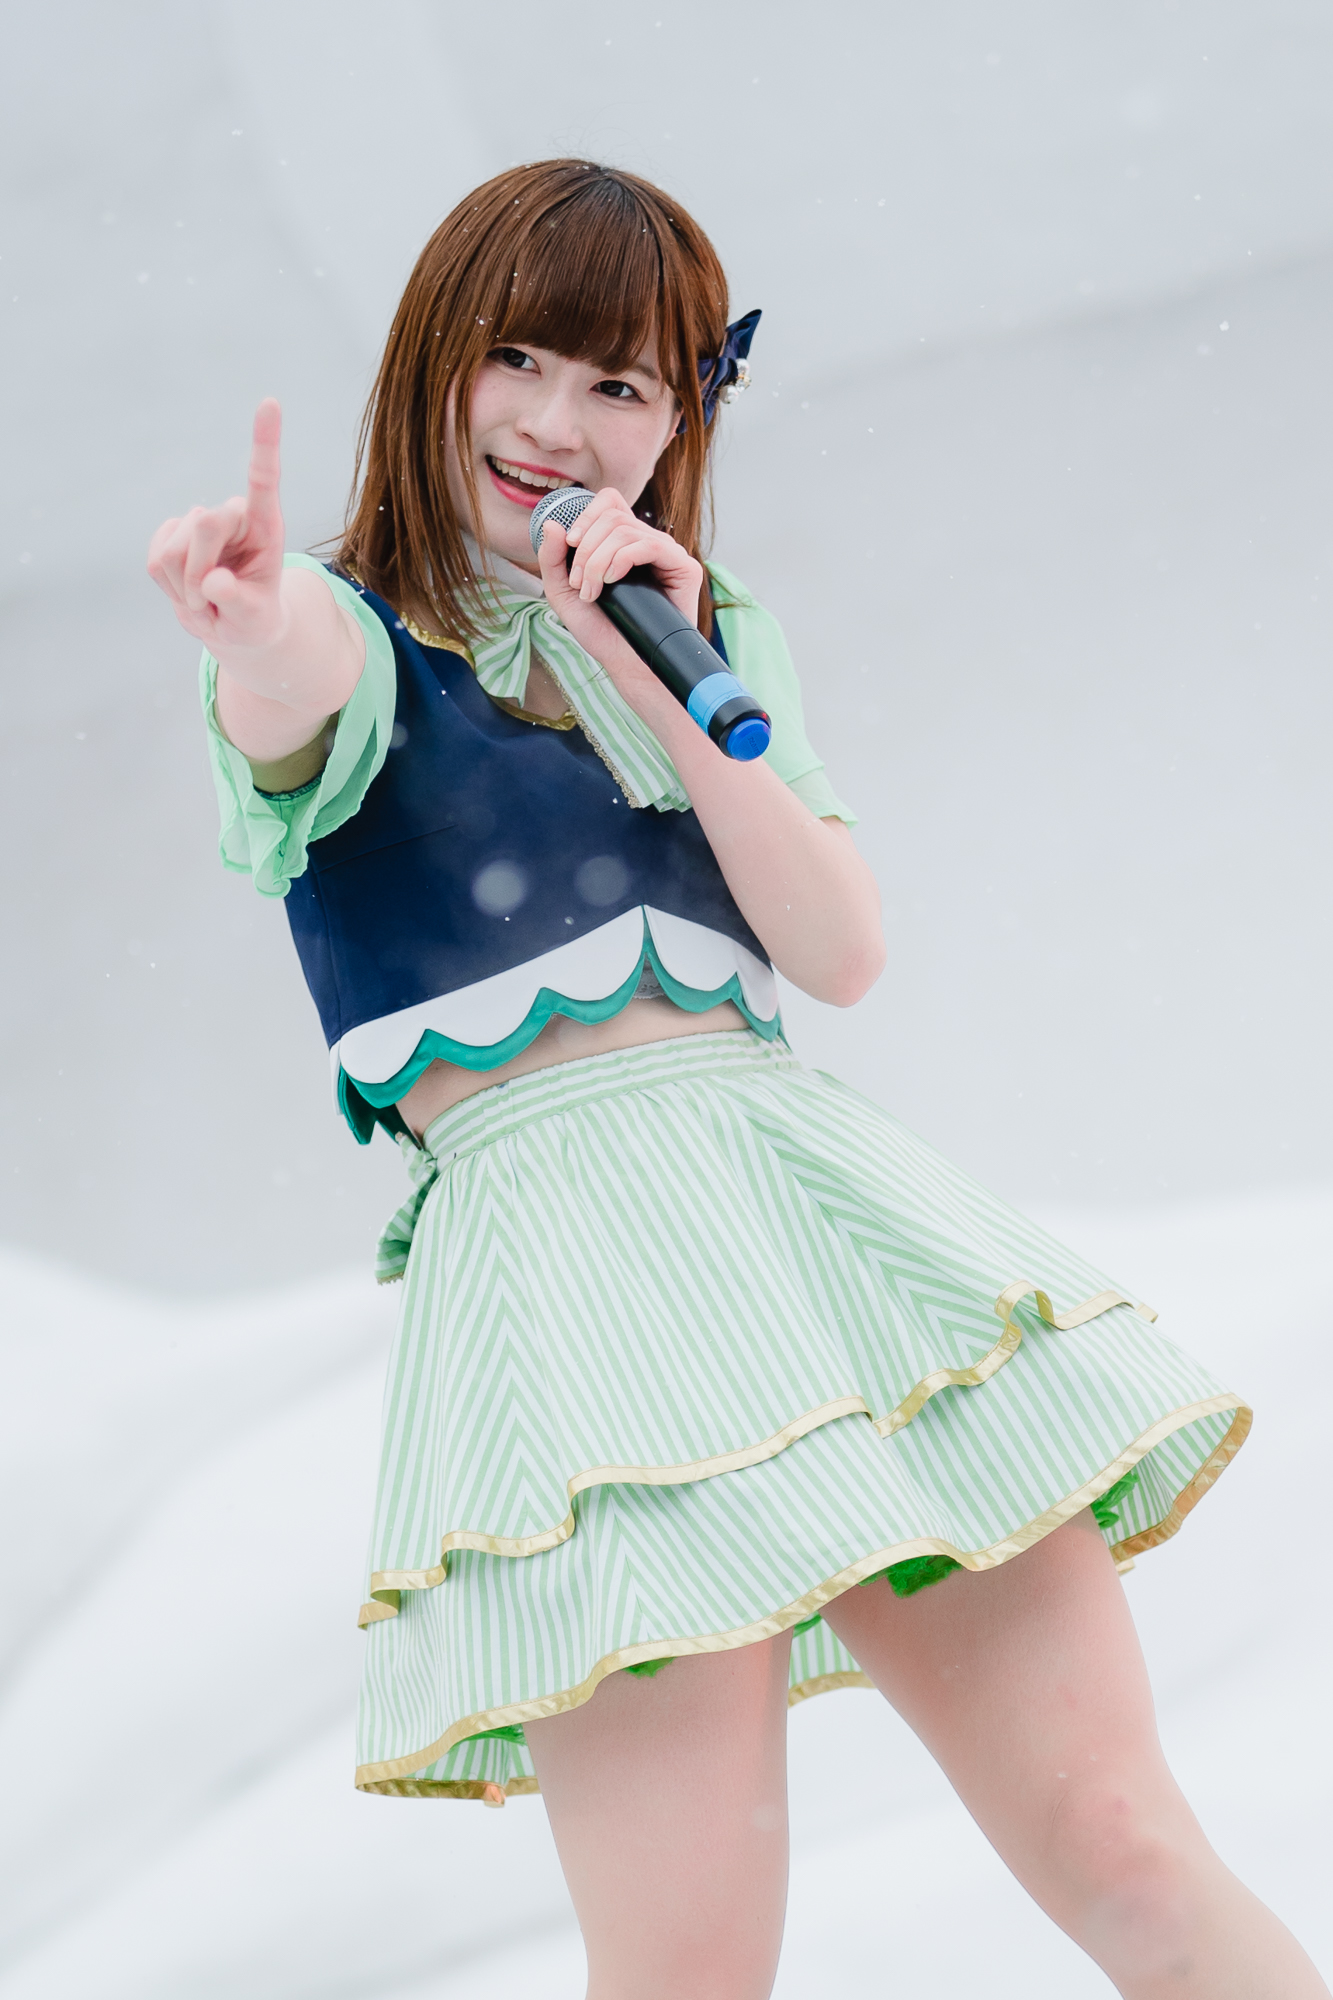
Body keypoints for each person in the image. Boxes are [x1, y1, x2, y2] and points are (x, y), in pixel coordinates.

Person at [148, 159, 1326, 1999]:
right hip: (574, 1316)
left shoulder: (697, 632)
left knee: (1122, 1845)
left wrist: (657, 676)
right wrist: (247, 628)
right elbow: (289, 682)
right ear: (434, 357)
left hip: (821, 1247)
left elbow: (837, 950)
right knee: (686, 1969)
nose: (555, 424)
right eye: (517, 359)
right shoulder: (350, 632)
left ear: (678, 416)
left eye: (617, 383)